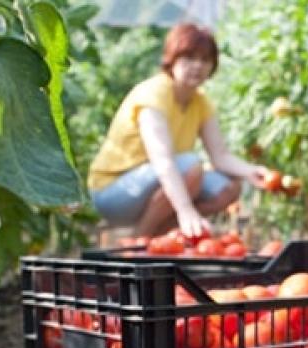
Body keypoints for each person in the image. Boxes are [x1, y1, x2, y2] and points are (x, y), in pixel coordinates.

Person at [87, 23, 272, 239]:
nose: (197, 66)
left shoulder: (201, 103)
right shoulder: (154, 94)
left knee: (229, 188)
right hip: (114, 193)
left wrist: (252, 172)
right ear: (172, 60)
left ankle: (160, 239)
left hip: (156, 185)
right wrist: (185, 210)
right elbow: (163, 162)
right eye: (189, 58)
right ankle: (139, 242)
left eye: (205, 60)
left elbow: (220, 155)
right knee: (191, 166)